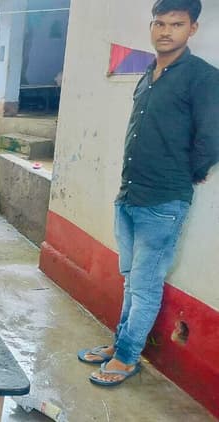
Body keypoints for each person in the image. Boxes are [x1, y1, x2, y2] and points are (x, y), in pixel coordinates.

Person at [78, 0, 219, 386]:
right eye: (159, 23)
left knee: (144, 285)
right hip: (129, 195)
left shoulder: (203, 77)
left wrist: (190, 173)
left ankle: (127, 358)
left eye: (176, 24)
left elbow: (212, 138)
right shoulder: (147, 74)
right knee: (132, 281)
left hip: (163, 201)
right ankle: (120, 344)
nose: (165, 31)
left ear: (192, 29)